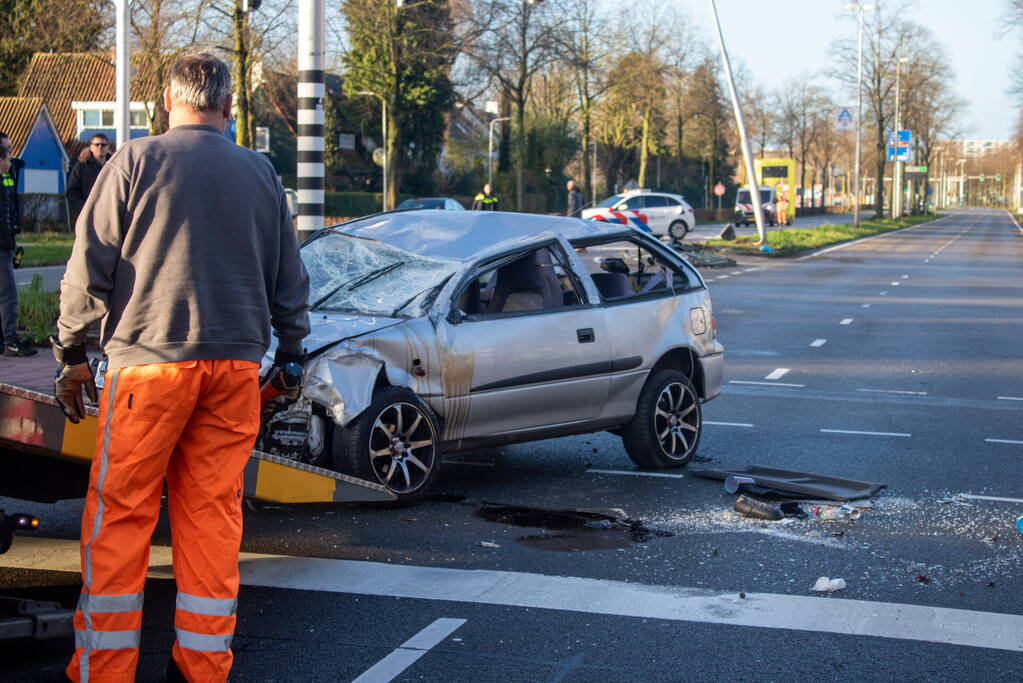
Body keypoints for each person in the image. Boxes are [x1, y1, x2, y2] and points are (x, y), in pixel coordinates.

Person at [53, 53, 310, 683]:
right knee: (212, 516)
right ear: (226, 107)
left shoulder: (135, 162)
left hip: (150, 367)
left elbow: (90, 268)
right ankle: (201, 668)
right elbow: (290, 279)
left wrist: (69, 351)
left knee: (122, 516)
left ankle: (104, 670)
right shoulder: (261, 174)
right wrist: (295, 352)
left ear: (167, 101)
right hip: (234, 371)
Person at [0, 141, 36, 356]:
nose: (10, 161)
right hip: (2, 247)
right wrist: (8, 242)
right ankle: (11, 341)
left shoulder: (6, 177)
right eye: (8, 155)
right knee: (8, 295)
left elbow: (11, 205)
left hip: (5, 245)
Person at [66, 133, 110, 229]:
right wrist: (85, 209)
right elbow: (72, 192)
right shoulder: (81, 166)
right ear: (91, 147)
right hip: (87, 216)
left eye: (103, 145)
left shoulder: (113, 168)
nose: (100, 147)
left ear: (107, 147)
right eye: (97, 144)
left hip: (109, 215)